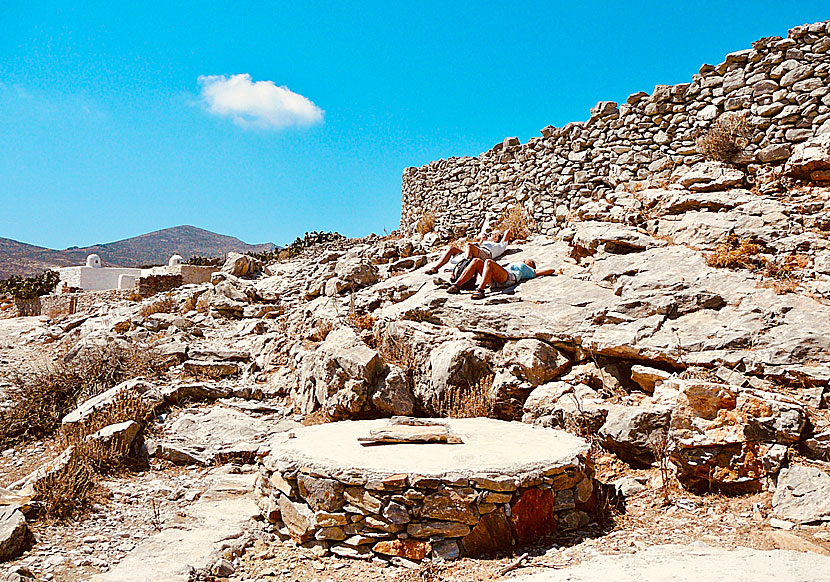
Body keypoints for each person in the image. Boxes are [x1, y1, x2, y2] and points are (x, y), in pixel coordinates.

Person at [447, 258, 556, 299]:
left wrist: (555, 270)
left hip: (508, 278)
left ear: (530, 265)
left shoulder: (528, 270)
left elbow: (548, 271)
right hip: (498, 277)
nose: (524, 259)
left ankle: (480, 290)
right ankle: (457, 285)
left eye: (528, 260)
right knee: (476, 261)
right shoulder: (517, 264)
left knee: (488, 262)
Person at [425, 228, 511, 275]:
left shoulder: (499, 246)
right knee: (452, 249)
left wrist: (500, 232)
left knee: (469, 245)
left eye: (492, 234)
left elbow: (508, 232)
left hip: (485, 254)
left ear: (496, 238)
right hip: (472, 252)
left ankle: (463, 267)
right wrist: (482, 240)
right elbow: (477, 246)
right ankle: (435, 268)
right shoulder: (484, 242)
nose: (490, 235)